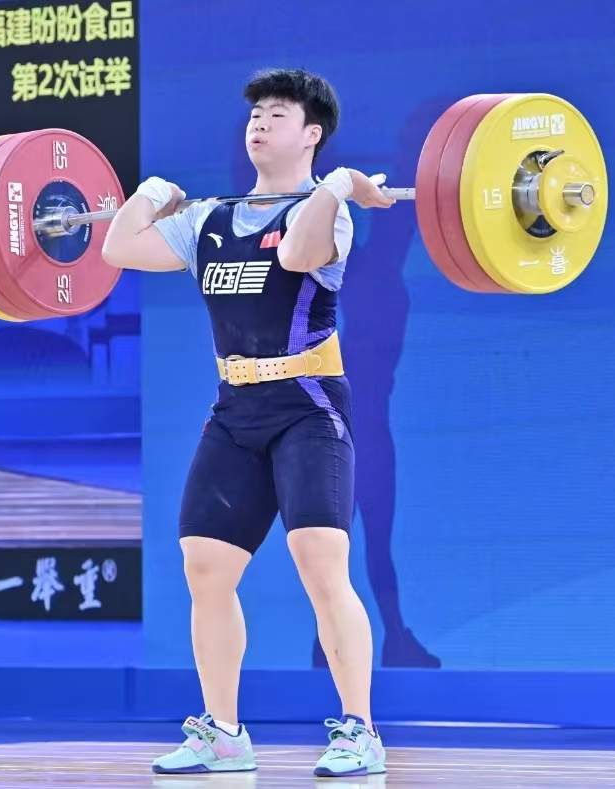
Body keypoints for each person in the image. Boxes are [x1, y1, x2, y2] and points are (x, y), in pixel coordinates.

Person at [101, 67, 394, 777]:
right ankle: (224, 734)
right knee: (204, 566)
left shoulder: (329, 214)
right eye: (255, 113)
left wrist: (334, 188)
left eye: (277, 113)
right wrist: (149, 195)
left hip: (308, 406)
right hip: (235, 409)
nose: (259, 122)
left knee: (320, 562)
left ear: (312, 133)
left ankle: (360, 730)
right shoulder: (207, 221)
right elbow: (118, 249)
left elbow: (297, 254)